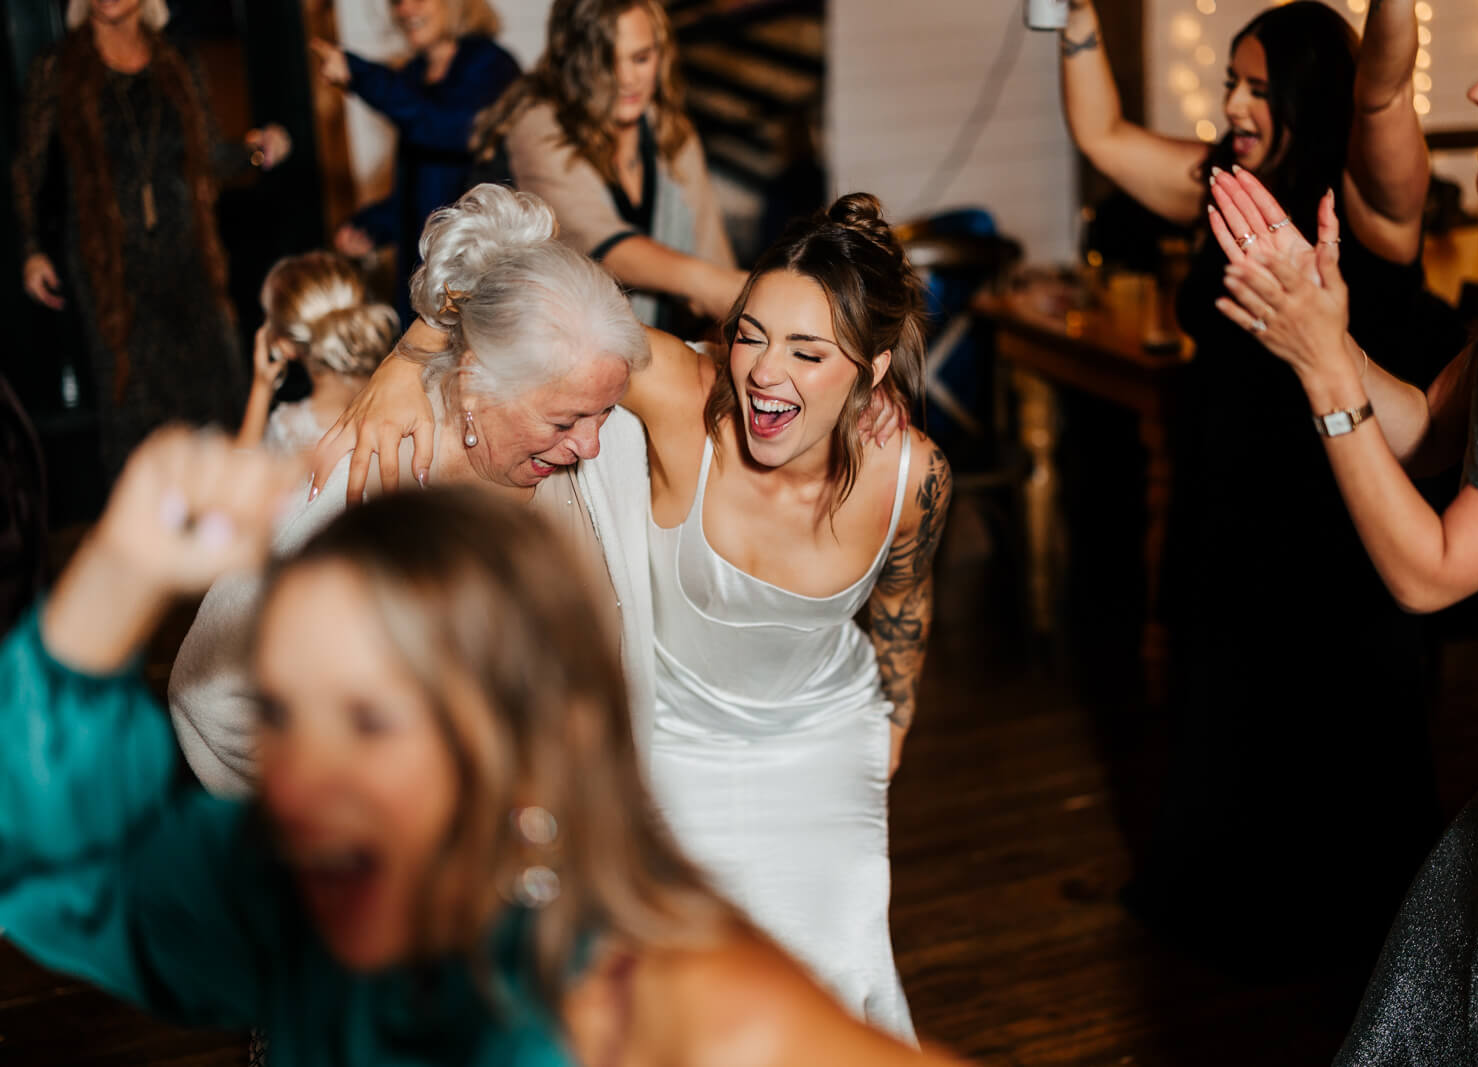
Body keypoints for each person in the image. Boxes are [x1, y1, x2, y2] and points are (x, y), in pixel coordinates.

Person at [0, 427, 968, 1066]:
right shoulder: (301, 897)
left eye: (373, 719)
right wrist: (121, 567)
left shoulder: (667, 998)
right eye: (284, 714)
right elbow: (57, 854)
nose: (302, 781)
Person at [309, 193, 948, 1040]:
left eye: (807, 351)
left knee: (830, 976)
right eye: (750, 331)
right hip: (670, 735)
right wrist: (411, 350)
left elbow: (905, 594)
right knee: (679, 989)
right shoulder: (681, 391)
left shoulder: (912, 474)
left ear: (868, 373)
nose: (763, 371)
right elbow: (526, 283)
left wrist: (895, 715)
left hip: (827, 735)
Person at [1205, 0, 1478, 1056]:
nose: (1477, 91)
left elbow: (1430, 573)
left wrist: (1325, 368)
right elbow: (1426, 423)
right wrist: (1318, 331)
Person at [1057, 0, 1440, 970]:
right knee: (1223, 723)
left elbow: (1386, 78)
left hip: (1332, 533)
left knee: (1335, 752)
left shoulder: (1366, 198)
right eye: (1230, 81)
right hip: (1226, 514)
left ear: (1314, 95)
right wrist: (1069, 20)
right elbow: (1098, 134)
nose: (1233, 103)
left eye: (1259, 88)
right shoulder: (1223, 184)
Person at [170, 184, 657, 797]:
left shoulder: (603, 442)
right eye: (563, 422)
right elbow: (208, 692)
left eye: (604, 413)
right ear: (476, 379)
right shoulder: (363, 474)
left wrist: (415, 345)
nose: (589, 445)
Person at [13, 0, 291, 480]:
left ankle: (231, 532)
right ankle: (151, 543)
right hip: (113, 274)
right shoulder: (57, 66)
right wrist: (31, 249)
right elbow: (26, 168)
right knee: (136, 412)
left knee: (214, 400)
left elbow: (207, 161)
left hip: (190, 259)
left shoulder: (176, 61)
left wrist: (257, 153)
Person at [470, 0, 746, 329]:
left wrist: (740, 305)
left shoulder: (672, 132)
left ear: (662, 54)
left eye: (641, 58)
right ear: (571, 59)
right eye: (607, 62)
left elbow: (712, 249)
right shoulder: (537, 121)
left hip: (655, 344)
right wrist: (707, 284)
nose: (627, 79)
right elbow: (597, 241)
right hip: (542, 340)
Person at [310, 0, 519, 323]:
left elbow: (448, 129)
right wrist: (371, 227)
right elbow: (424, 193)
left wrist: (361, 74)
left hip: (480, 279)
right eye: (396, 1)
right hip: (427, 280)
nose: (405, 9)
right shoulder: (414, 74)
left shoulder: (492, 65)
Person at [238, 251, 399, 454]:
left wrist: (261, 387)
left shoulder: (288, 428)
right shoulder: (401, 393)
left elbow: (239, 473)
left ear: (285, 345)